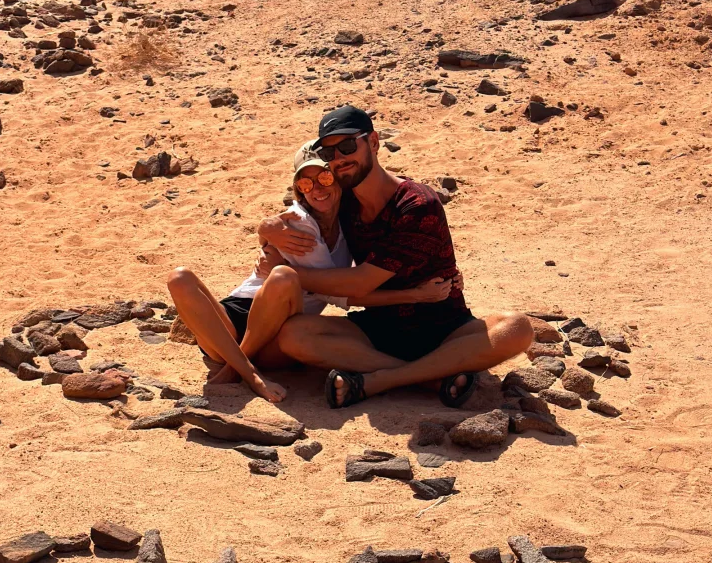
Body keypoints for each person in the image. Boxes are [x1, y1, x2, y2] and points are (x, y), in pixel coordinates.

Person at [259, 104, 534, 407]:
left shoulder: (418, 205)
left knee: (518, 328)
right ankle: (431, 378)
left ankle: (381, 379)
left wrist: (285, 272)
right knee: (294, 335)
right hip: (378, 330)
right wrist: (267, 229)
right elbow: (299, 216)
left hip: (444, 329)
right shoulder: (343, 201)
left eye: (347, 146)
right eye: (328, 153)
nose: (339, 159)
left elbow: (360, 284)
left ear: (373, 142)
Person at [167, 140, 458, 405]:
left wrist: (430, 285)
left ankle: (237, 366)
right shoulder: (298, 224)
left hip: (279, 336)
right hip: (233, 325)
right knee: (181, 278)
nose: (317, 189)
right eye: (306, 184)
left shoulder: (349, 225)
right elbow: (343, 296)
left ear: (338, 180)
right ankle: (247, 372)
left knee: (284, 277)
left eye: (325, 177)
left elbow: (354, 286)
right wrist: (414, 295)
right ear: (298, 190)